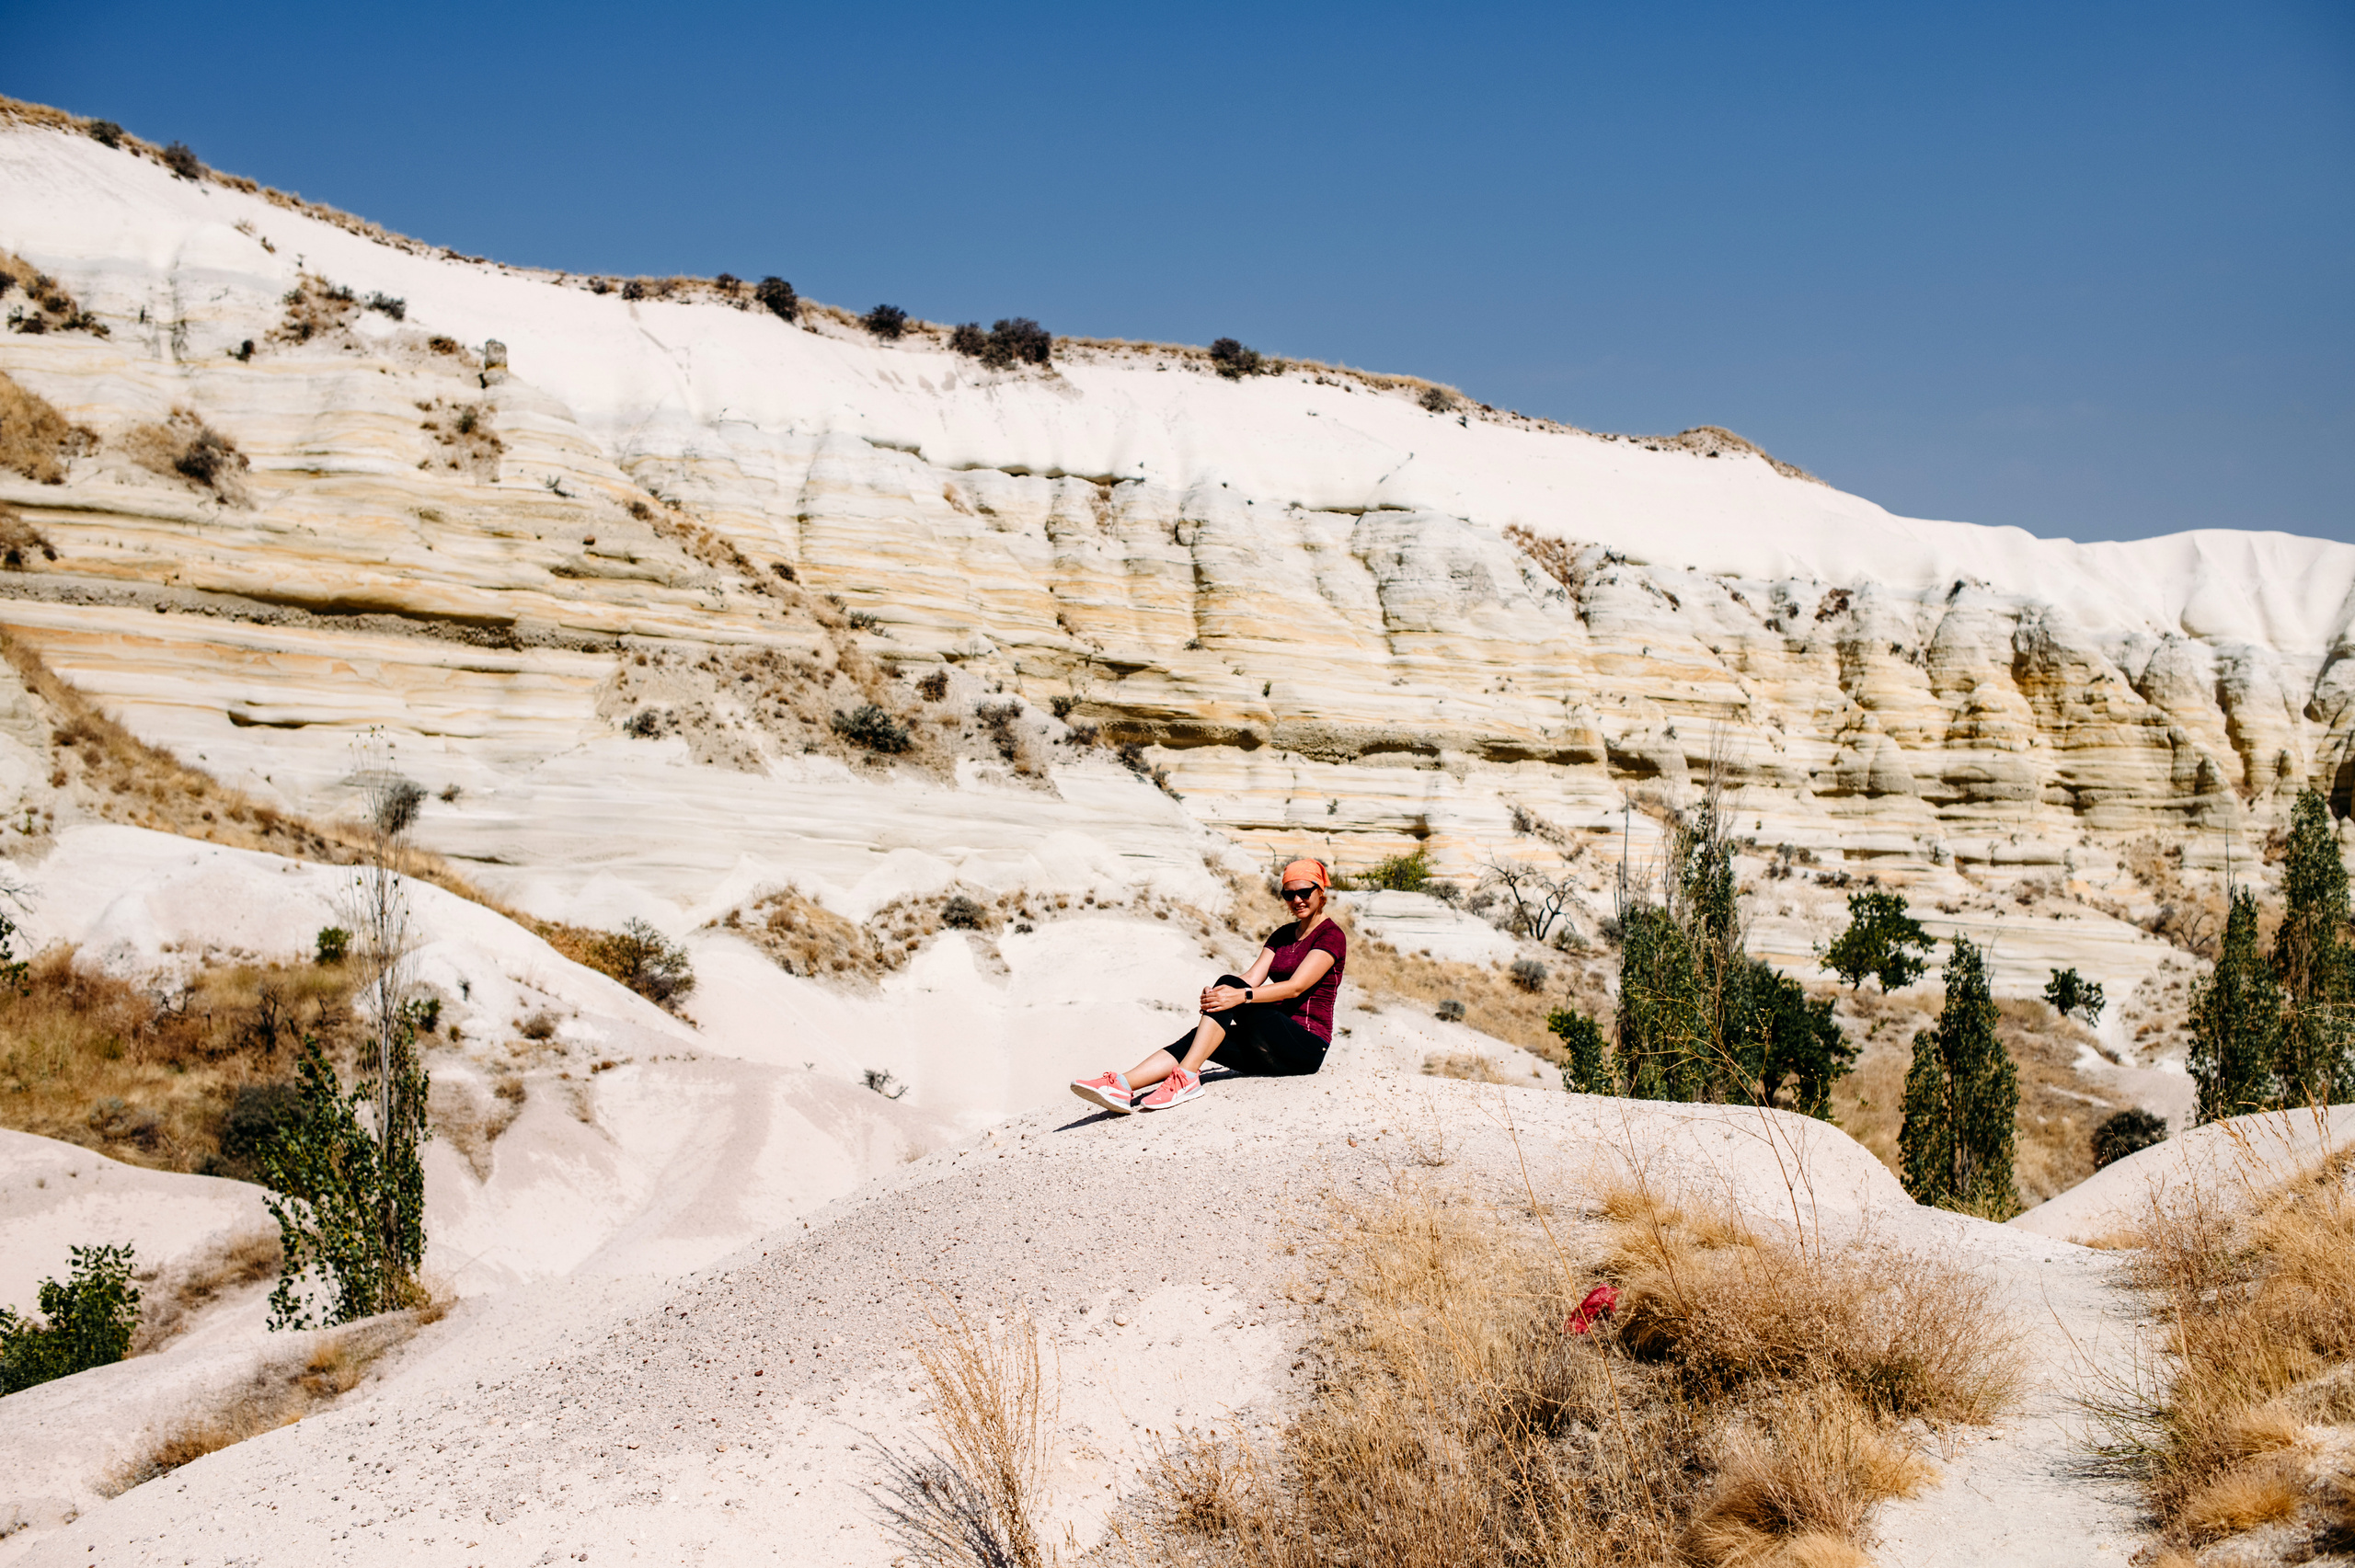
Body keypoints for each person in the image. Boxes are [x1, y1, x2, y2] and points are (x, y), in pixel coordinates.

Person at [1070, 857, 1347, 1114]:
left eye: (1304, 892)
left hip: (1306, 1046)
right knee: (1201, 1034)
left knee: (1232, 990)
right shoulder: (1283, 935)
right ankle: (1122, 1085)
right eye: (1289, 894)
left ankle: (1187, 1078)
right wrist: (1219, 996)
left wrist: (1238, 995)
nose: (1297, 899)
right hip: (1272, 1050)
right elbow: (1251, 978)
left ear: (1320, 892)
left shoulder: (1330, 935)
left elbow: (1295, 987)